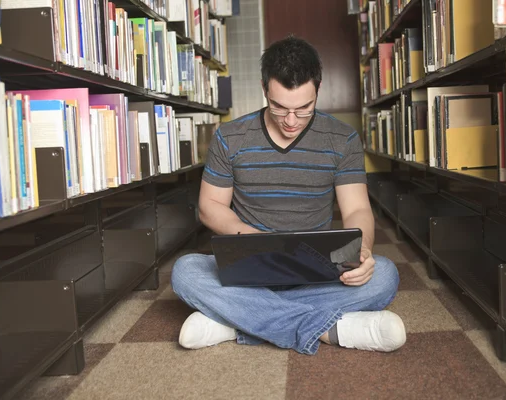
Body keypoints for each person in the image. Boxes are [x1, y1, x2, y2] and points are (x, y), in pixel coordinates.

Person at [171, 35, 406, 355]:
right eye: (279, 107)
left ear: (318, 90)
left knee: (384, 276)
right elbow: (210, 207)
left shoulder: (343, 139)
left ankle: (235, 321)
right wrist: (256, 243)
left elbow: (356, 210)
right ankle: (329, 329)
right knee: (185, 272)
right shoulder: (230, 137)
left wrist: (362, 250)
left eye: (304, 108)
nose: (291, 120)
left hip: (315, 268)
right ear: (264, 88)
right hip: (248, 265)